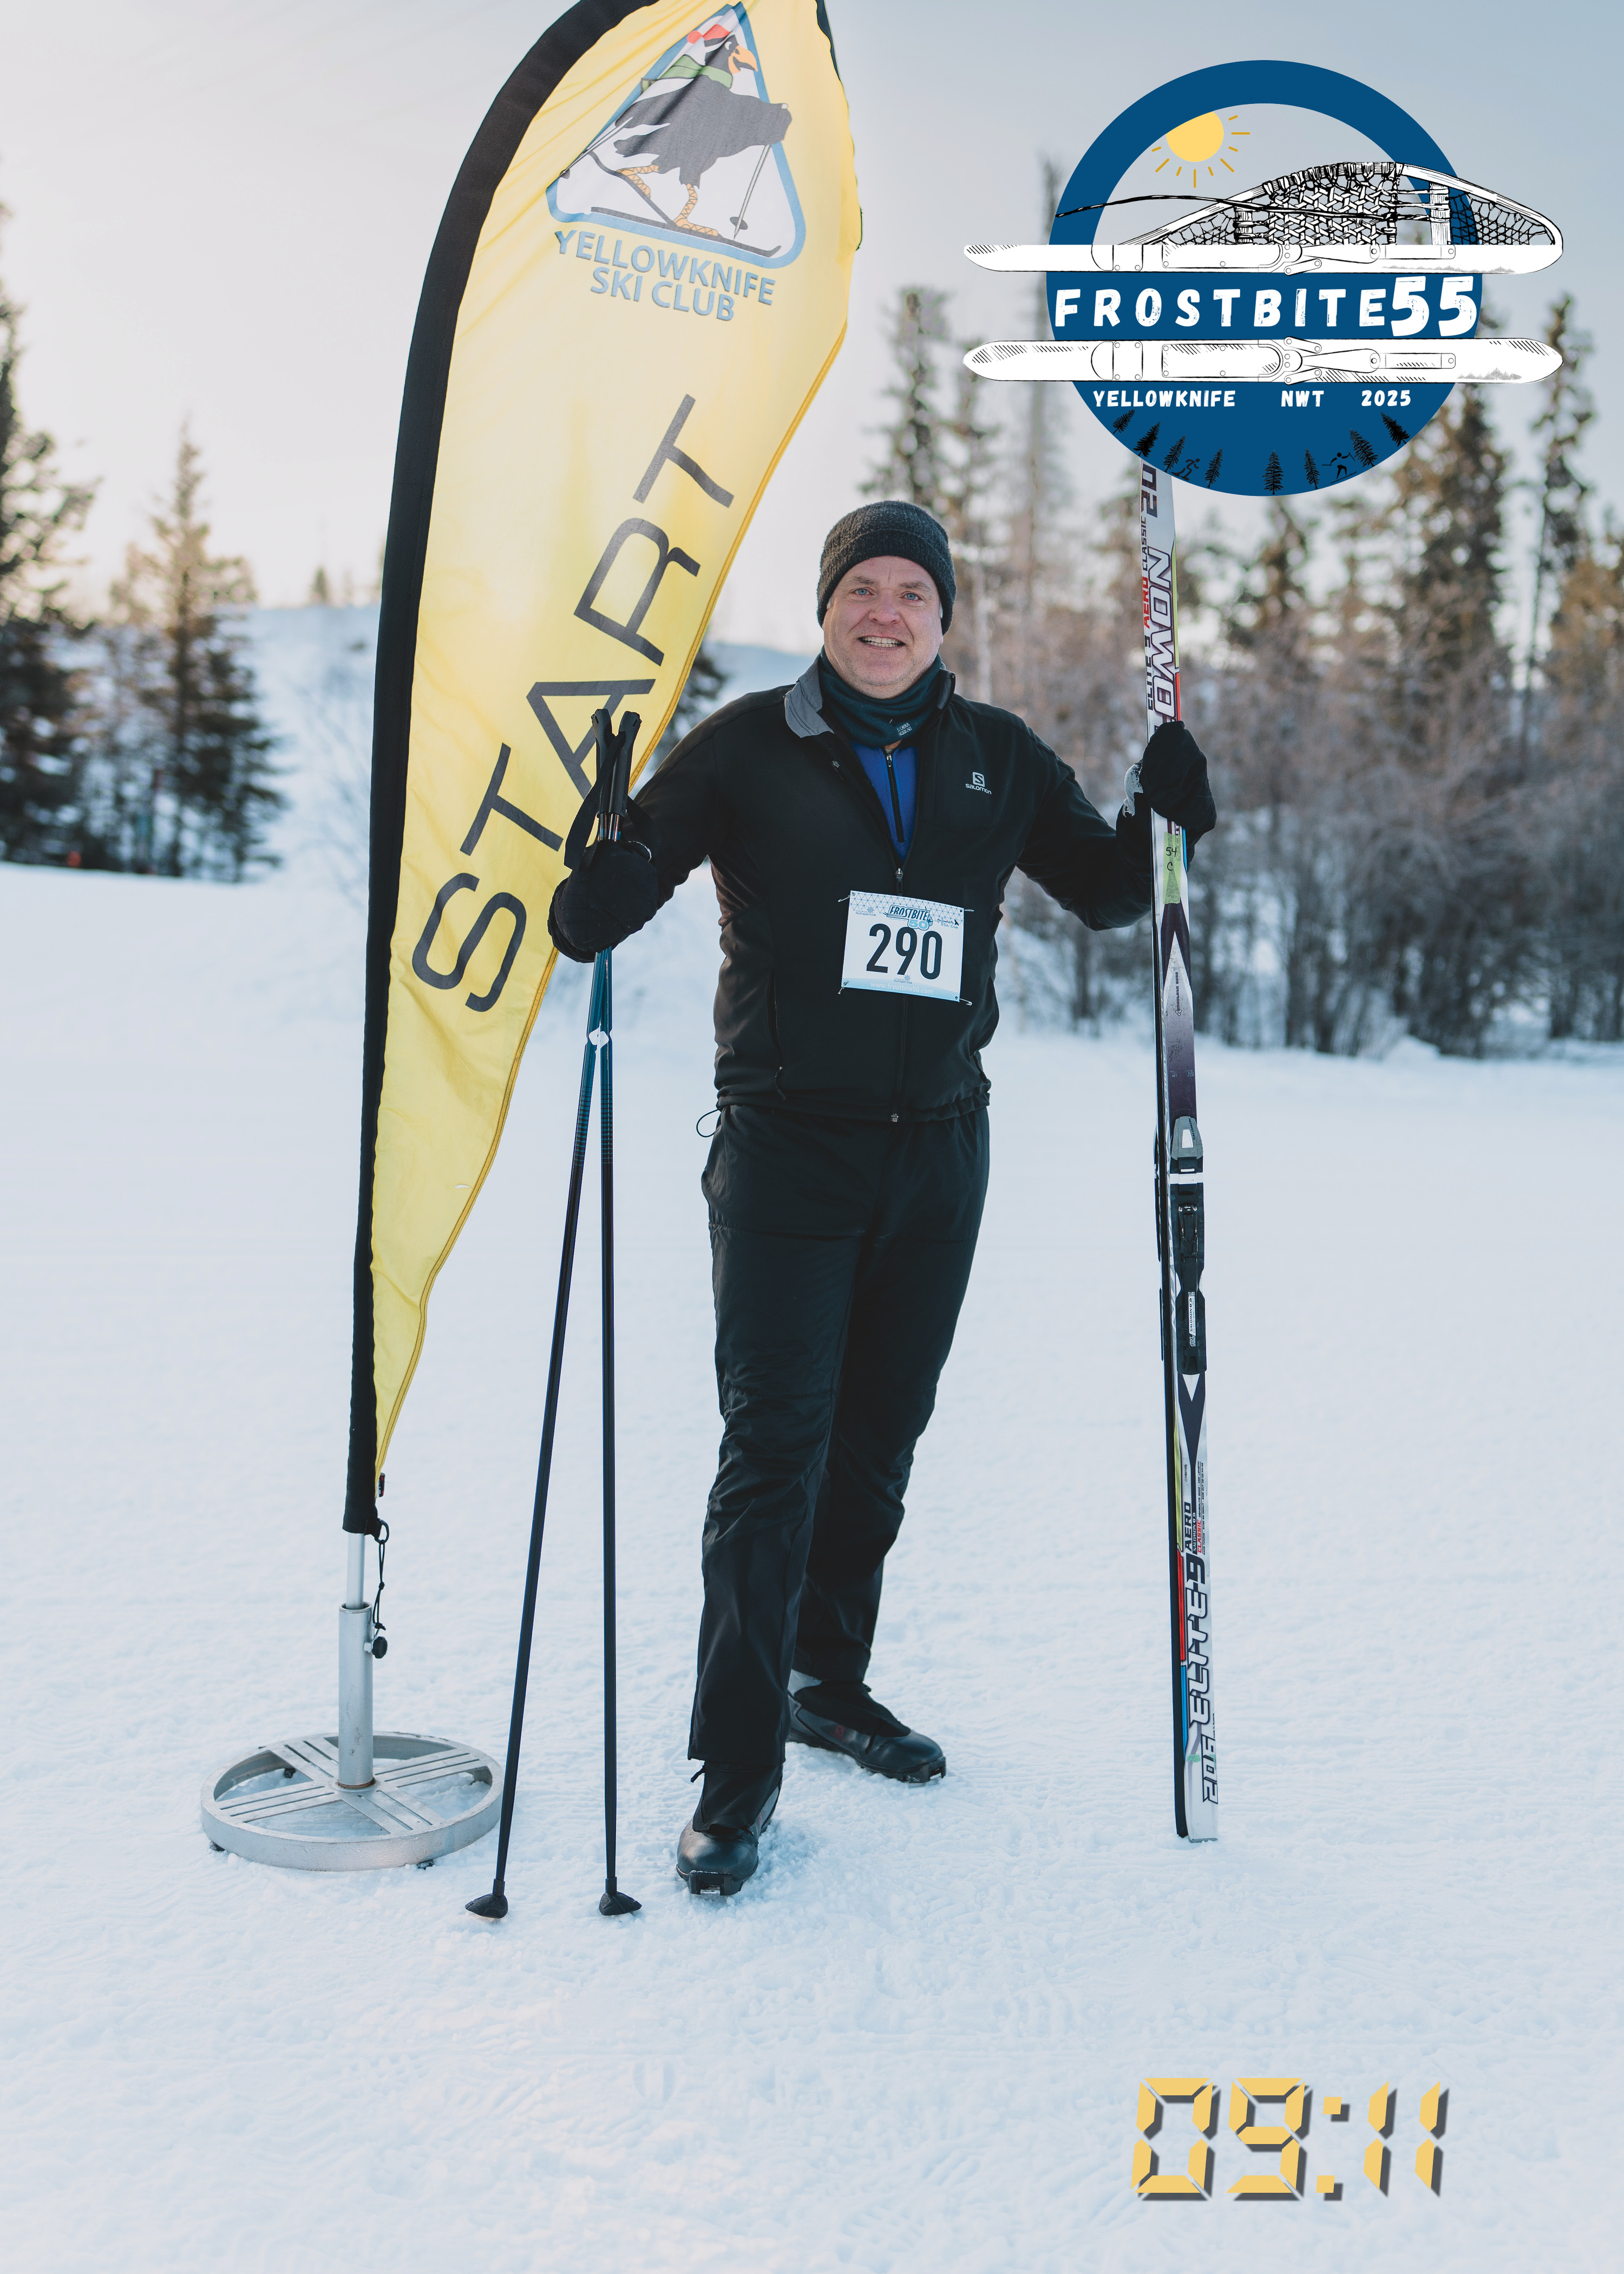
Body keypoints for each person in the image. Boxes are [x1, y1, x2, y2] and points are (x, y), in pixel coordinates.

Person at [548, 500, 1216, 1895]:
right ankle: (735, 1777)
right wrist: (602, 873)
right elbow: (611, 901)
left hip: (940, 1155)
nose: (886, 613)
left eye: (913, 592)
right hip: (788, 1151)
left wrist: (1164, 815)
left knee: (875, 1444)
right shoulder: (749, 746)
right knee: (774, 1453)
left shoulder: (998, 757)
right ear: (827, 607)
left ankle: (825, 1681)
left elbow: (1108, 892)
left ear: (943, 617)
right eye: (863, 589)